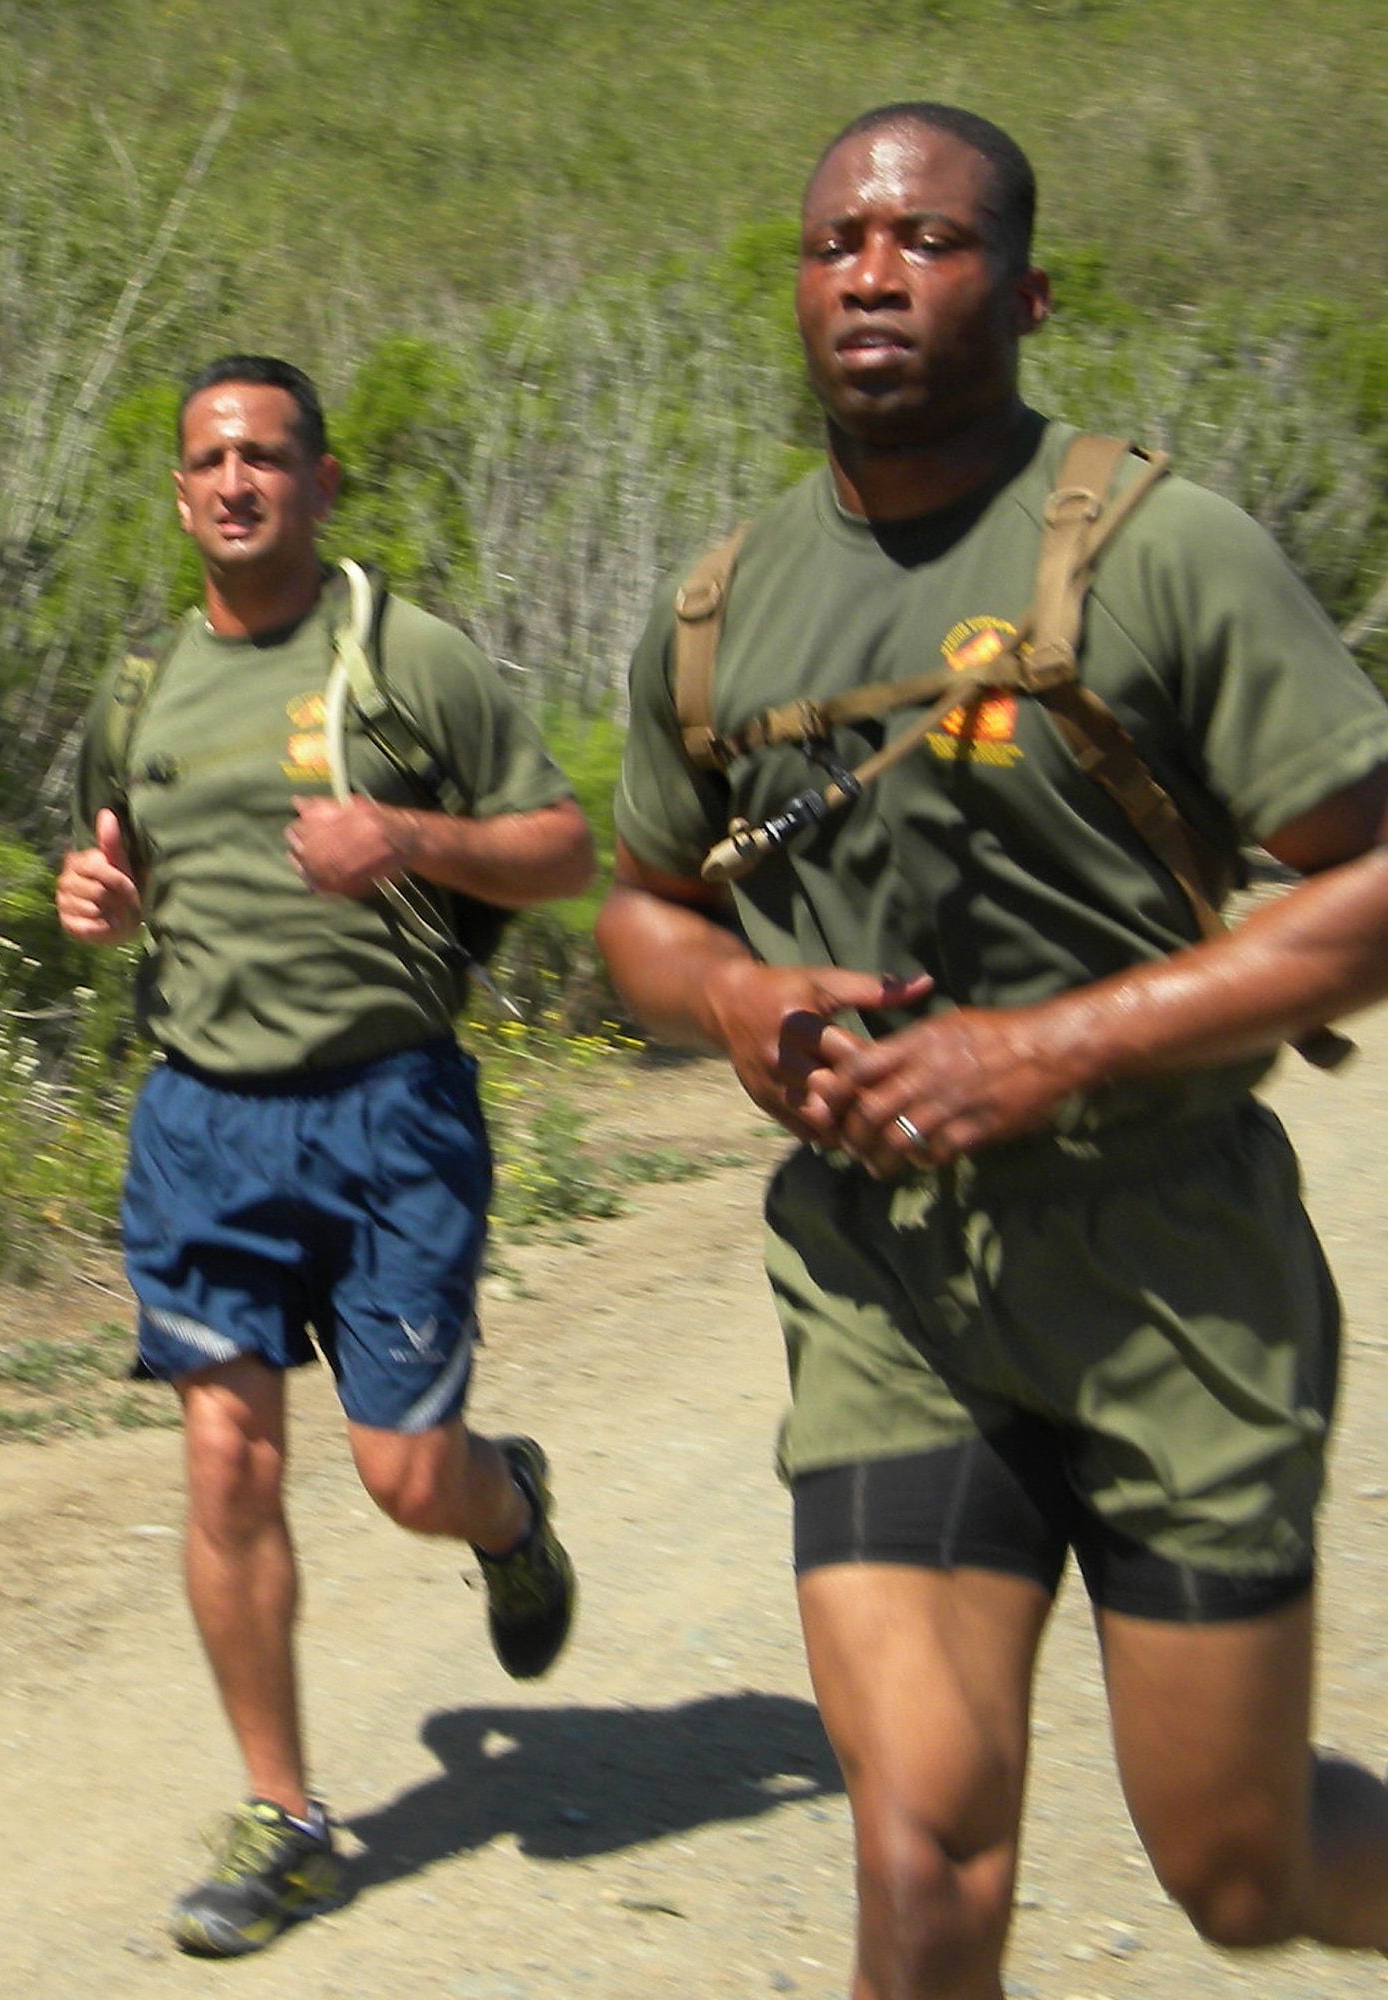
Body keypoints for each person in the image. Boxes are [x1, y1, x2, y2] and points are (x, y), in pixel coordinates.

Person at [596, 103, 1388, 2000]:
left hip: (1168, 1269)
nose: (871, 274)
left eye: (927, 242)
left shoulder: (1164, 552)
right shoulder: (719, 604)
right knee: (922, 1848)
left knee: (1237, 1869)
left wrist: (1044, 1053)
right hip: (888, 1285)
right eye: (836, 245)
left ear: (1022, 295)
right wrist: (733, 1001)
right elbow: (642, 908)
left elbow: (1365, 882)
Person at [56, 355, 594, 1958]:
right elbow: (117, 870)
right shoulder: (140, 689)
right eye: (210, 459)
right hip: (200, 1123)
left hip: (387, 1116)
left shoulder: (405, 656)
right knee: (226, 1465)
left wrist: (408, 835)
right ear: (179, 493)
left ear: (322, 480)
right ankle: (283, 1818)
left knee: (406, 1475)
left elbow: (563, 849)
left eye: (268, 456)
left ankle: (506, 1513)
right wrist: (103, 908)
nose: (237, 481)